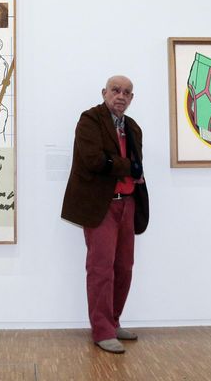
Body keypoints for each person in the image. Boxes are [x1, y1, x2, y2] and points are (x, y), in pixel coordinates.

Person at [61, 75, 149, 354]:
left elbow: (134, 165)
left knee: (124, 268)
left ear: (131, 98)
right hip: (101, 206)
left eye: (127, 92)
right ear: (104, 92)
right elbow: (94, 160)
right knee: (100, 269)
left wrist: (132, 171)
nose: (120, 96)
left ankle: (113, 321)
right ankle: (102, 331)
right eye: (115, 90)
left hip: (128, 204)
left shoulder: (133, 127)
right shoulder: (90, 120)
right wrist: (129, 168)